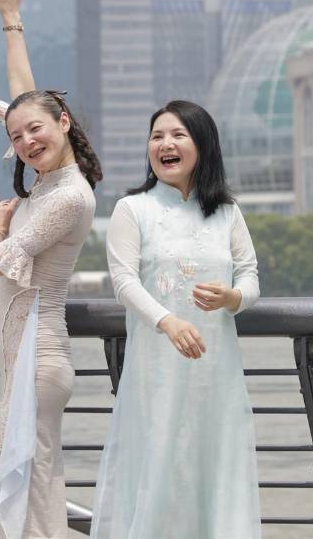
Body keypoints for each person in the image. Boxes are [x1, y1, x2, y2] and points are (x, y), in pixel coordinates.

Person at [91, 100, 262, 539]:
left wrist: (232, 297)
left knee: (215, 473)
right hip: (156, 375)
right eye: (157, 137)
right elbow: (123, 282)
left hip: (216, 374)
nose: (165, 144)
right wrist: (168, 322)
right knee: (159, 473)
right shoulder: (133, 210)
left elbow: (250, 276)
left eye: (177, 135)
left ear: (202, 145)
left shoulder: (227, 212)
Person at [0, 0, 101, 539]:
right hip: (23, 359)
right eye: (17, 135)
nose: (27, 140)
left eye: (37, 130)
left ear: (65, 122)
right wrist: (11, 18)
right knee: (27, 484)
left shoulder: (69, 196)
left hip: (40, 355)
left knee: (25, 487)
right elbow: (24, 97)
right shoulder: (49, 179)